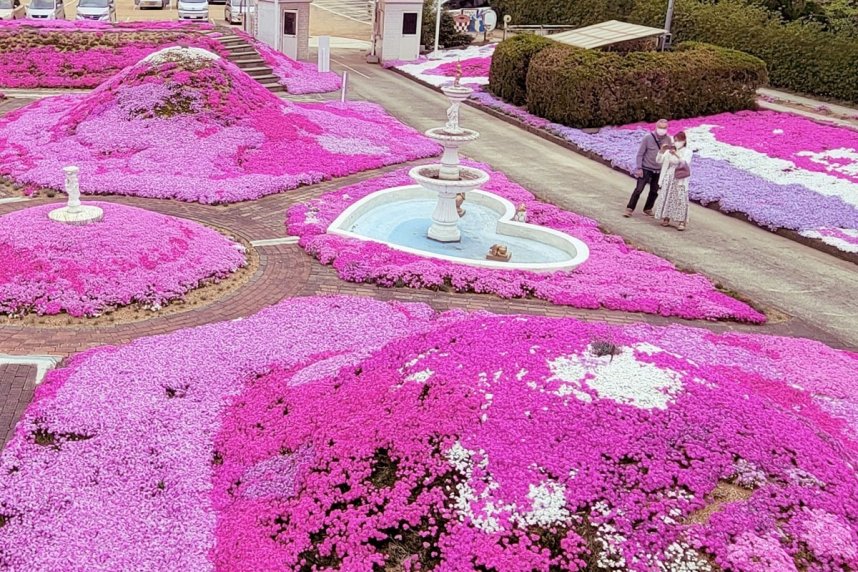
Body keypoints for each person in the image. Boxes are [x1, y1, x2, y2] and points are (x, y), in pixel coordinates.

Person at [624, 119, 672, 218]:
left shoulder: (668, 139)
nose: (662, 130)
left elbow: (669, 155)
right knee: (638, 189)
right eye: (660, 127)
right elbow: (640, 154)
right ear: (656, 127)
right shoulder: (648, 138)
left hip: (659, 170)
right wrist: (639, 168)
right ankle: (630, 208)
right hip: (646, 168)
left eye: (664, 128)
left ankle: (648, 208)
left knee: (654, 191)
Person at [653, 131, 692, 231]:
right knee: (667, 195)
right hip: (669, 176)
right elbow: (659, 160)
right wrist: (662, 151)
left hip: (680, 177)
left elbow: (685, 163)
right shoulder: (670, 150)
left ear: (684, 141)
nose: (676, 143)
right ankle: (666, 217)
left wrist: (676, 155)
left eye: (678, 141)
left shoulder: (687, 152)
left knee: (680, 198)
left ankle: (681, 221)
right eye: (675, 141)